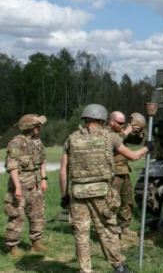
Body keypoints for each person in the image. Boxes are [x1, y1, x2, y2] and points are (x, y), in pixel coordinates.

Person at [59, 104, 154, 273]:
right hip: (101, 192)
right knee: (107, 230)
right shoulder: (110, 137)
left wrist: (65, 195)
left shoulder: (71, 139)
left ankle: (85, 270)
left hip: (78, 193)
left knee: (81, 233)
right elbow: (133, 156)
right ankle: (118, 267)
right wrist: (148, 148)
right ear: (103, 120)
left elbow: (63, 171)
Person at [4, 114, 49, 258]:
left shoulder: (37, 142)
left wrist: (44, 179)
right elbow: (13, 166)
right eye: (37, 125)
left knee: (37, 213)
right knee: (16, 215)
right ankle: (13, 246)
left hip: (35, 184)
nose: (39, 128)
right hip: (21, 184)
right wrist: (17, 187)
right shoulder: (16, 143)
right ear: (29, 127)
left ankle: (36, 243)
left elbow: (42, 162)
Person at [107, 111, 146, 244]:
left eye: (124, 123)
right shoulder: (105, 133)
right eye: (120, 123)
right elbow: (112, 143)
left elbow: (135, 141)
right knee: (112, 202)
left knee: (127, 201)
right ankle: (109, 230)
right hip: (112, 172)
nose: (122, 125)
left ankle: (125, 228)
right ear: (111, 121)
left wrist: (139, 132)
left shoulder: (120, 132)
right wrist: (126, 131)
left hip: (123, 170)